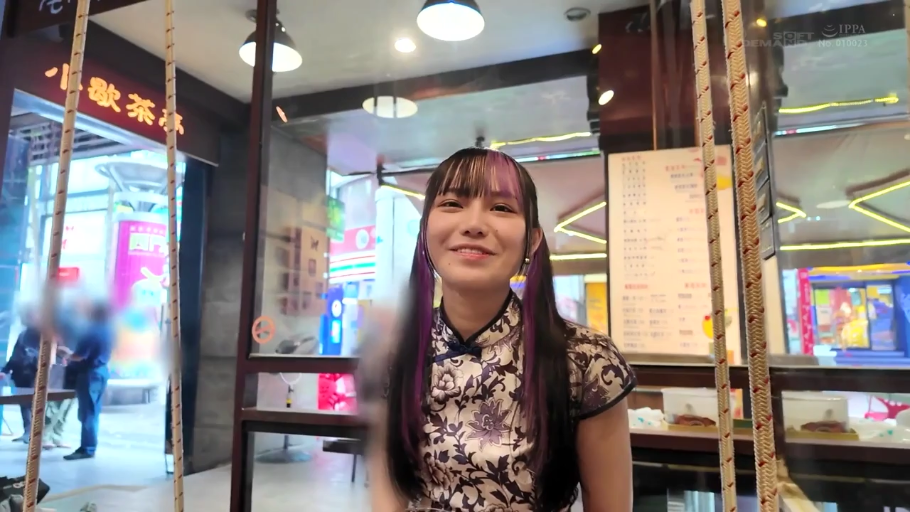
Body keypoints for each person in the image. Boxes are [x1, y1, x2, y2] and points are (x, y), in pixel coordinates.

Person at [362, 148, 636, 512]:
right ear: (424, 230)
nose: (474, 224)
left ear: (532, 240)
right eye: (452, 204)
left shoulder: (586, 360)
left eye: (502, 207)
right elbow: (388, 495)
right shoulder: (395, 354)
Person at [57, 299, 113, 460]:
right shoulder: (108, 330)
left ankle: (87, 448)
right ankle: (89, 446)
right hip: (101, 371)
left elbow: (80, 356)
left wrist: (66, 353)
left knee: (87, 412)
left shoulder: (91, 331)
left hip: (90, 374)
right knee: (93, 411)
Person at [0, 305, 41, 443]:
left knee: (34, 403)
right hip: (20, 374)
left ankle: (36, 433)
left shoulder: (43, 334)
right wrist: (5, 370)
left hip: (34, 373)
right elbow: (15, 355)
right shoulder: (23, 334)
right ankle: (27, 431)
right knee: (24, 403)